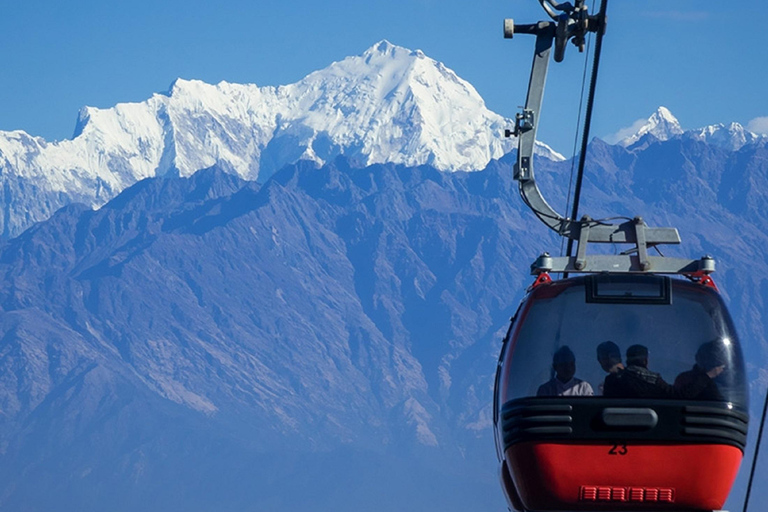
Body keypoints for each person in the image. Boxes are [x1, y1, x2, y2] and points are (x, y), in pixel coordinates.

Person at [603, 344, 675, 399]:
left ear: (627, 361)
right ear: (645, 361)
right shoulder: (655, 380)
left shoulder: (611, 380)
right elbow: (673, 395)